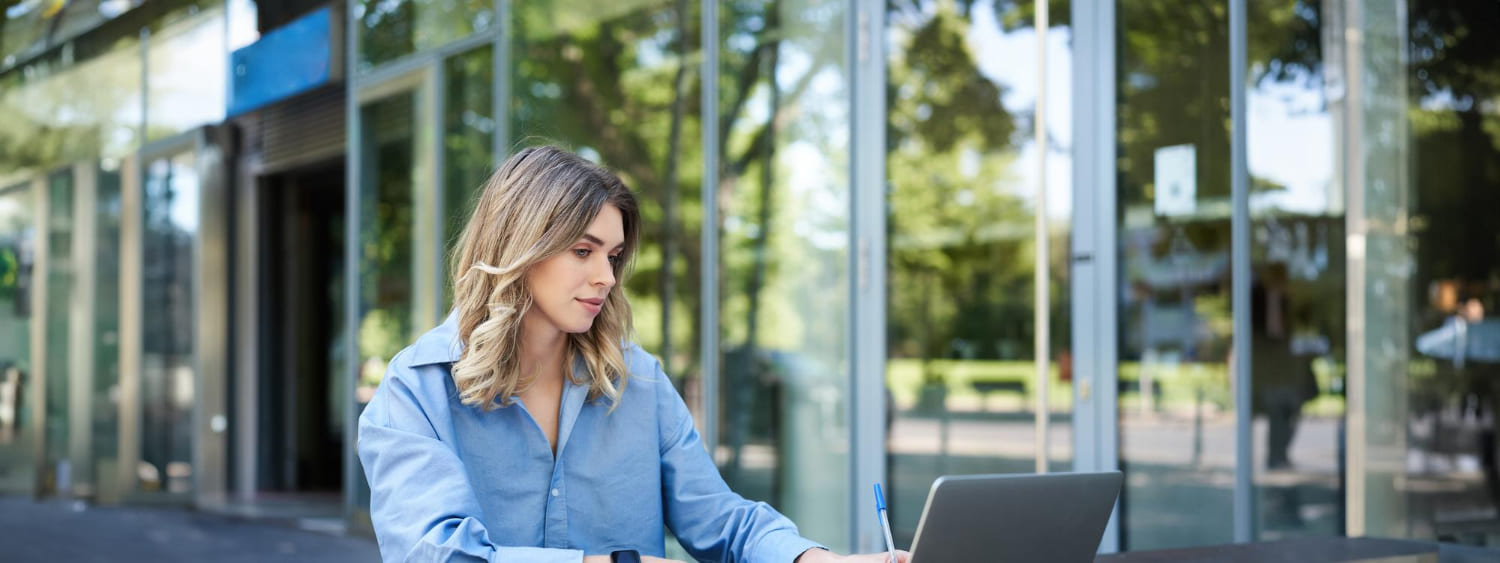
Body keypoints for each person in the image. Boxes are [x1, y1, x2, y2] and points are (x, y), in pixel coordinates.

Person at [357, 146, 909, 563]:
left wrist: (814, 559)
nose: (606, 278)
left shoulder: (637, 380)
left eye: (614, 256)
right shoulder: (417, 390)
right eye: (582, 251)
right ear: (518, 249)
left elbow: (720, 520)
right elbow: (437, 553)